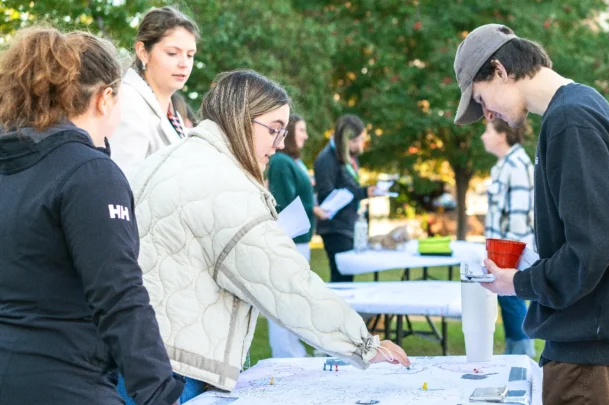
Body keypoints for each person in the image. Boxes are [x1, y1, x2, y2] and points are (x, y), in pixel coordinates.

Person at [129, 70, 410, 393]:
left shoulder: (170, 158)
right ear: (240, 119)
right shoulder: (224, 185)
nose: (279, 145)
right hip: (171, 368)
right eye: (274, 131)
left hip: (133, 350)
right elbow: (286, 282)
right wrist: (364, 345)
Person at [453, 24, 609, 404]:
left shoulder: (570, 120)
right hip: (602, 349)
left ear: (500, 70)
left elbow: (601, 243)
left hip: (590, 355)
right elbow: (608, 229)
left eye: (481, 100)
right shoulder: (584, 105)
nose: (487, 115)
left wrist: (519, 282)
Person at [0, 27, 183, 405]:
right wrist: (161, 394)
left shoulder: (15, 164)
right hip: (66, 382)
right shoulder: (90, 173)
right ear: (105, 98)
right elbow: (119, 295)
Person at [266, 114, 329, 358]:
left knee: (295, 301)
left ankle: (293, 353)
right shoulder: (281, 162)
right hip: (290, 241)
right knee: (285, 301)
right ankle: (285, 356)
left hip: (300, 241)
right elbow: (285, 203)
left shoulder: (291, 161)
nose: (306, 135)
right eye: (301, 130)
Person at [110, 6, 199, 176]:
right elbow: (125, 183)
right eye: (172, 53)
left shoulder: (172, 113)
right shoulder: (128, 102)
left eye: (190, 55)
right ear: (143, 52)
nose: (184, 64)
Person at [481, 119, 535, 357]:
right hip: (500, 252)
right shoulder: (504, 165)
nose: (483, 136)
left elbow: (519, 216)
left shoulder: (517, 165)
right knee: (508, 304)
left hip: (511, 254)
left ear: (502, 135)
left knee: (513, 302)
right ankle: (515, 353)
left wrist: (508, 262)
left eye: (487, 130)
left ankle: (522, 356)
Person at [314, 115, 376, 282]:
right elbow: (328, 196)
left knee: (348, 276)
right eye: (354, 141)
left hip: (348, 225)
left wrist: (366, 191)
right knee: (341, 278)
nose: (358, 145)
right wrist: (362, 193)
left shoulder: (350, 157)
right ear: (343, 139)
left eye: (360, 139)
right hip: (334, 229)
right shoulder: (325, 160)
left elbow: (349, 187)